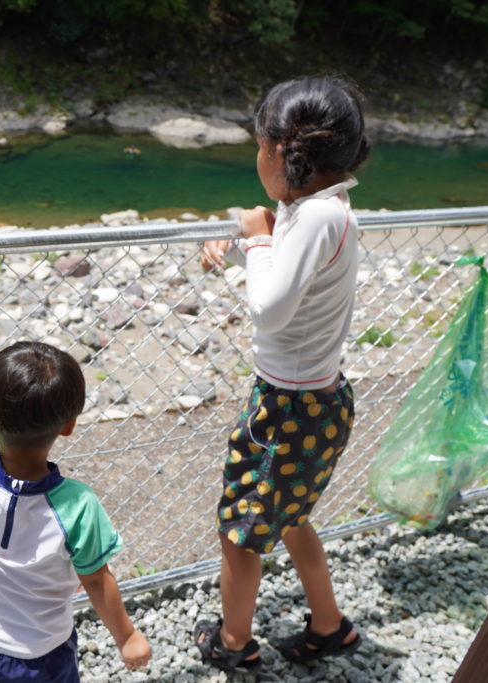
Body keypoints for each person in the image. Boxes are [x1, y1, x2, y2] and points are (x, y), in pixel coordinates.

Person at [195, 76, 370, 674]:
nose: (256, 158)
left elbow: (270, 308)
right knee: (292, 519)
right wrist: (249, 241)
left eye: (257, 145)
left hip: (285, 412)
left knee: (239, 531)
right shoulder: (325, 209)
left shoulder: (316, 216)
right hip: (319, 401)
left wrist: (254, 239)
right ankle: (330, 626)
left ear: (279, 150)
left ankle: (234, 643)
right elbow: (290, 262)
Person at [0, 317, 151, 682]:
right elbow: (96, 580)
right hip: (42, 656)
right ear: (69, 425)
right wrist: (126, 637)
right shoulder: (77, 505)